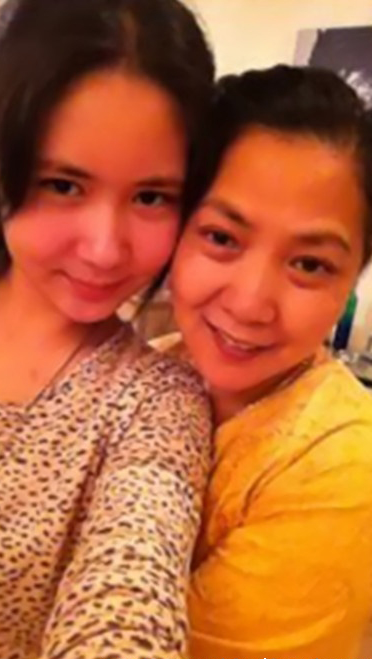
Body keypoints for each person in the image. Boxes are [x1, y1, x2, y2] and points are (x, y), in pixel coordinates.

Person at [0, 1, 215, 657]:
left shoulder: (157, 405)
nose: (104, 249)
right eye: (63, 184)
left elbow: (132, 582)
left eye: (151, 196)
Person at [170, 65, 372, 659]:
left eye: (309, 264)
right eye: (222, 237)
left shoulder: (342, 466)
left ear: (353, 280)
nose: (249, 303)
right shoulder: (151, 364)